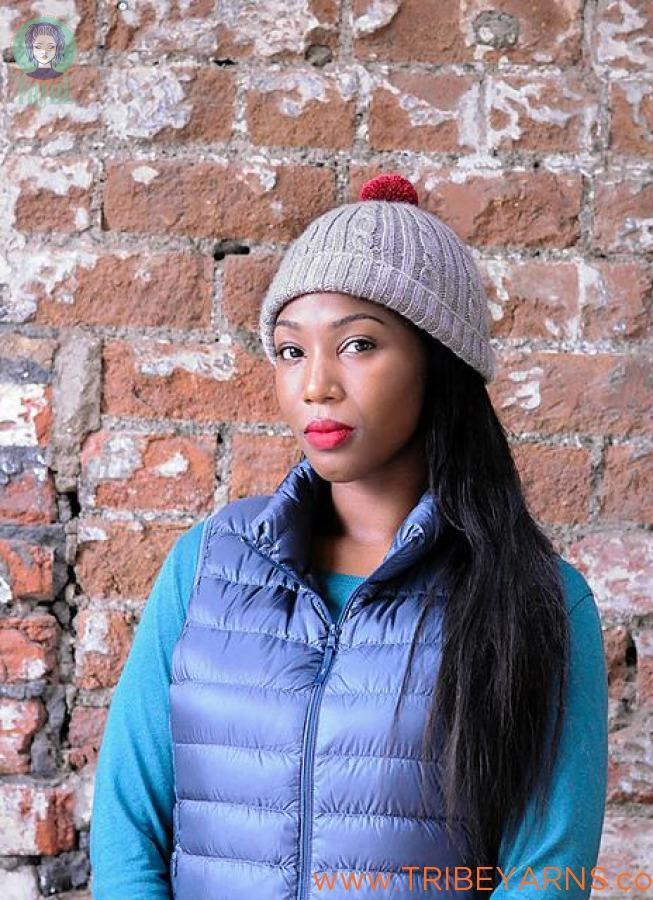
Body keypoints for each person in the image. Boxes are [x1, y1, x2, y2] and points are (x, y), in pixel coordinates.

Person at [90, 173, 609, 898]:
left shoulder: (539, 599)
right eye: (290, 351)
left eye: (358, 344)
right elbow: (128, 829)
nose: (316, 386)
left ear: (438, 360)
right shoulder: (206, 566)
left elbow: (548, 871)